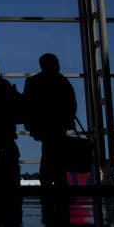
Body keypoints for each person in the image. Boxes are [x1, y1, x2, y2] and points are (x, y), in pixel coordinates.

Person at [23, 53, 77, 188]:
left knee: (48, 153)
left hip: (43, 126)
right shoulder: (62, 81)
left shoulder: (33, 82)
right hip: (58, 125)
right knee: (56, 155)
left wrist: (31, 126)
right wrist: (68, 120)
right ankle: (58, 182)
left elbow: (27, 105)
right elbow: (71, 103)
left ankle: (47, 181)